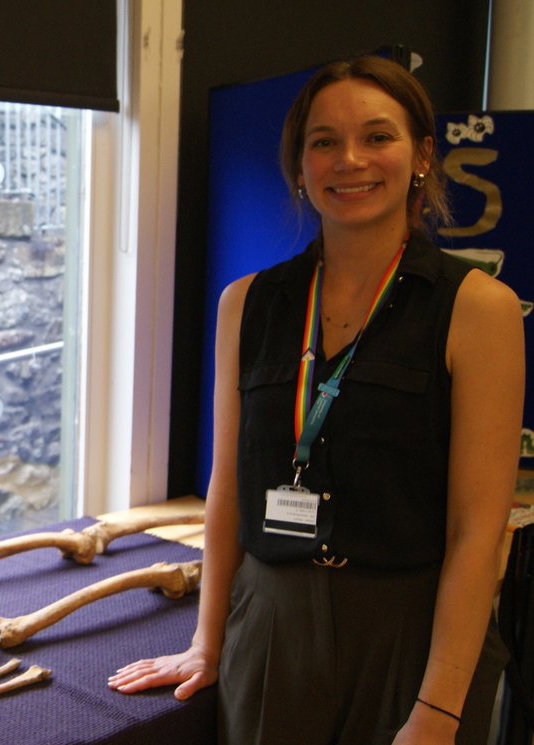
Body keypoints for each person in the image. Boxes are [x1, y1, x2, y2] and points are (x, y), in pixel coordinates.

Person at [109, 55, 524, 745]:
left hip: (412, 634)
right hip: (270, 625)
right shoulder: (248, 303)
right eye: (324, 141)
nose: (349, 159)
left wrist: (439, 709)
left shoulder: (478, 308)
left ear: (422, 155)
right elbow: (227, 489)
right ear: (300, 165)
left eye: (377, 136)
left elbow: (477, 529)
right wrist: (208, 641)